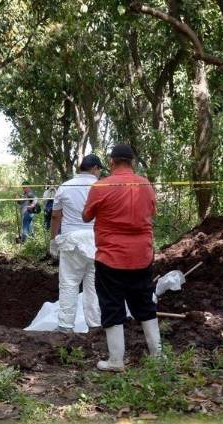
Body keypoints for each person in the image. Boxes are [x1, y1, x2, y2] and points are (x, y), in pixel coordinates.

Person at [82, 144, 160, 372]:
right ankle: (157, 355)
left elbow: (86, 216)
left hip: (111, 257)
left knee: (112, 305)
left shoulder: (101, 186)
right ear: (133, 162)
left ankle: (116, 360)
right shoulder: (145, 184)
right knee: (145, 302)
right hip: (141, 255)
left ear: (111, 161)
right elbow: (152, 212)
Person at [49, 155, 102, 333]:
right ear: (95, 168)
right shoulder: (102, 187)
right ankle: (95, 325)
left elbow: (56, 216)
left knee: (69, 283)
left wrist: (53, 240)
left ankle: (65, 326)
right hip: (96, 241)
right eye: (99, 170)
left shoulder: (65, 187)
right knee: (94, 285)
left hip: (72, 241)